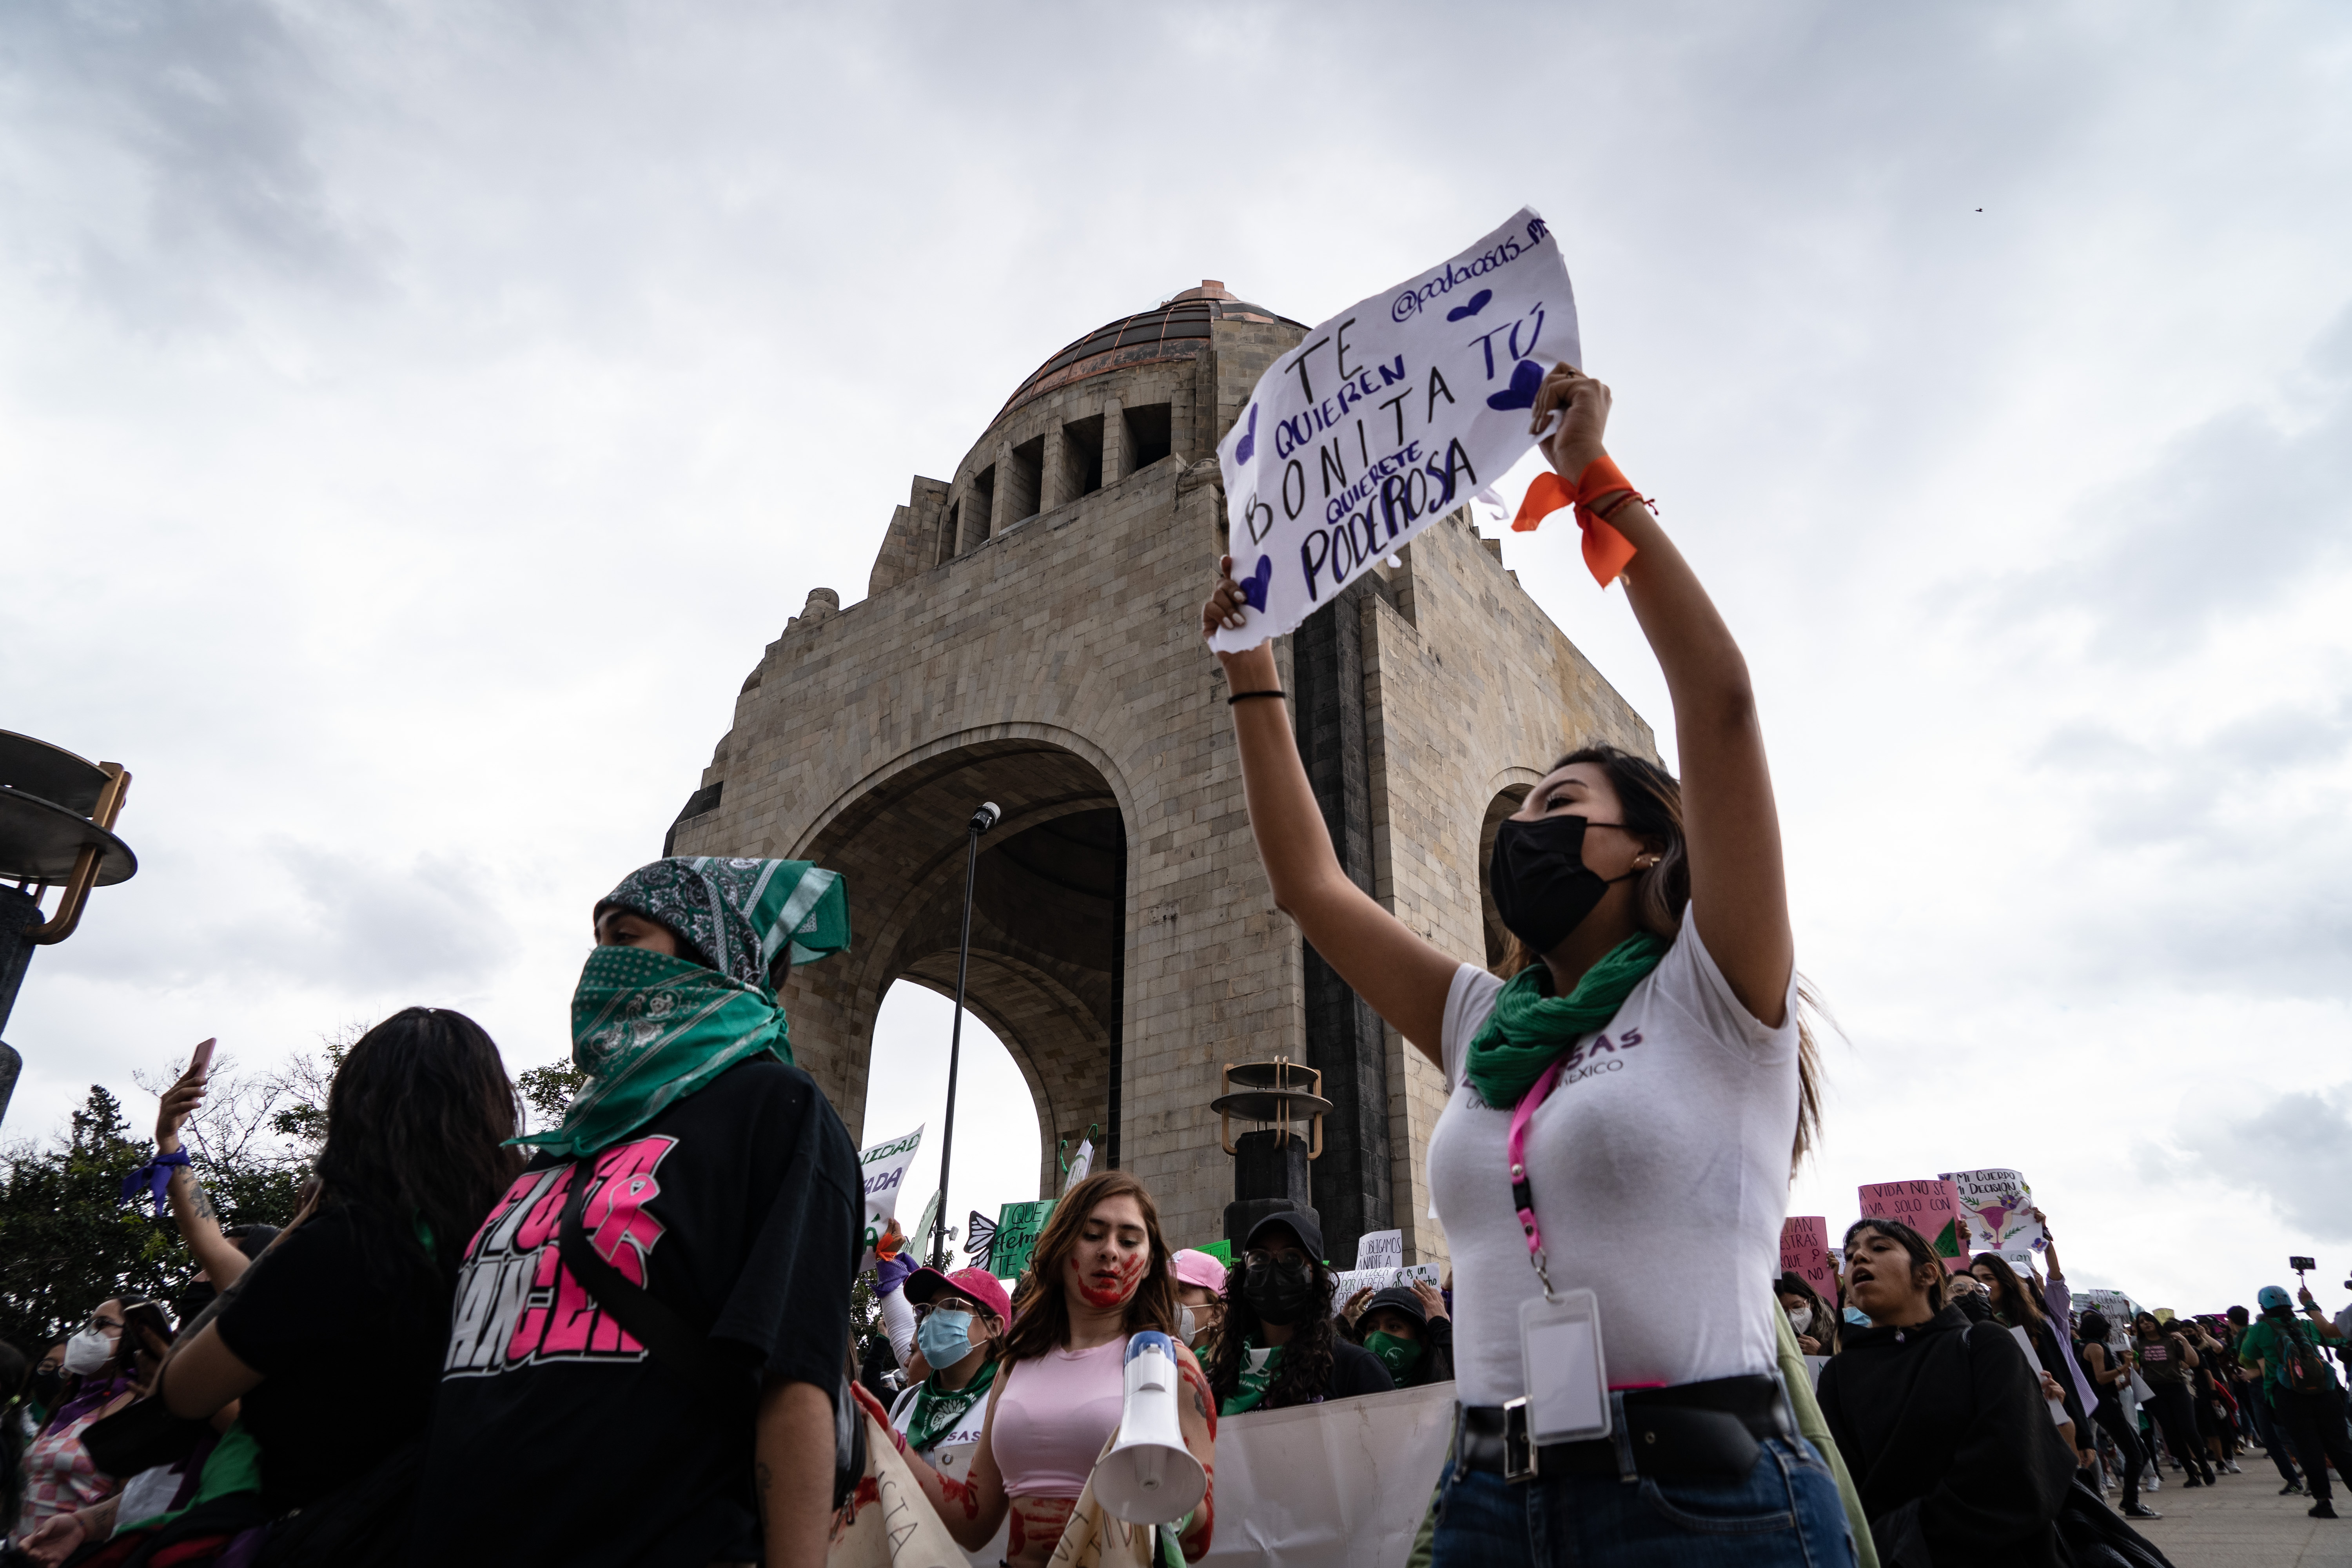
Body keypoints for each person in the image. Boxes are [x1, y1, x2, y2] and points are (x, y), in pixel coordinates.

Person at [1202, 363, 1847, 1566]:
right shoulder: (1487, 1026)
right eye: (1523, 810)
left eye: (1561, 803)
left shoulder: (1714, 989)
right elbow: (1311, 885)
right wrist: (1250, 669)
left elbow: (1720, 706)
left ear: (1645, 841)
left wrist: (1589, 480)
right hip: (1494, 1497)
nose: (1524, 828)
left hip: (1697, 1500)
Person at [407, 856, 862, 1568]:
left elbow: (795, 1371)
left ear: (703, 952)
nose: (599, 966)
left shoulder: (775, 1108)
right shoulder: (565, 1142)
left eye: (625, 937)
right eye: (596, 943)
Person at [889, 1171, 1215, 1567]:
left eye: (1129, 1240)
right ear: (1061, 1249)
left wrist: (1163, 1476)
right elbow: (974, 1521)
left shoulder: (1173, 1366)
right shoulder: (1016, 1362)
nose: (1111, 1251)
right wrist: (891, 1444)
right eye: (1093, 1235)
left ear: (1148, 1264)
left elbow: (1199, 1540)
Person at [1815, 1220, 2074, 1565]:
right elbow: (1839, 1491)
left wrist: (1904, 1541)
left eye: (1879, 1248)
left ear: (1926, 1275)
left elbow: (2013, 1475)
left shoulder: (1984, 1345)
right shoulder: (1838, 1374)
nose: (1859, 1258)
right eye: (1850, 1257)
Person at [1206, 1211, 1392, 1414]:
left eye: (1292, 1258)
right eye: (1260, 1257)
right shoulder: (1220, 1372)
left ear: (1317, 1278)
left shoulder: (1355, 1369)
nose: (1273, 1268)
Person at [887, 1265, 1012, 1566]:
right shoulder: (906, 1401)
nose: (932, 1320)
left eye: (953, 1306)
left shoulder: (1009, 1402)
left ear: (994, 1326)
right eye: (926, 1311)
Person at [12, 1299, 136, 1539]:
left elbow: (134, 1503)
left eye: (102, 1324)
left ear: (135, 1336)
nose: (87, 1334)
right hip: (20, 1554)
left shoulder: (136, 1406)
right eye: (89, 1324)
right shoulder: (66, 1406)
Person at [2238, 1284, 2352, 1519]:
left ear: (2263, 1307)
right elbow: (2335, 1340)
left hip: (2287, 1394)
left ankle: (2324, 1503)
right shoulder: (2307, 1325)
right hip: (2325, 1391)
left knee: (2309, 1448)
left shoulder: (2259, 1330)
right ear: (2291, 1305)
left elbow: (2246, 1355)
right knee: (2340, 1447)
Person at [1968, 1254, 2087, 1463]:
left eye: (1988, 1278)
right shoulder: (1967, 1328)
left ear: (2005, 1283)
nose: (1982, 1285)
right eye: (1976, 1280)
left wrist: (2084, 1437)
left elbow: (2062, 1377)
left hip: (2042, 1422)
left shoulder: (2036, 1325)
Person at [2076, 1310, 2157, 1519]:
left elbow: (2098, 1383)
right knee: (2135, 1455)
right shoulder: (2095, 1347)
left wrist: (2124, 1384)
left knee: (2142, 1453)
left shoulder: (2087, 1346)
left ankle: (2129, 1498)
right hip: (2106, 1407)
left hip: (2106, 1404)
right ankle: (2131, 1504)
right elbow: (2101, 1378)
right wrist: (2125, 1367)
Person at [2131, 1309, 2216, 1487]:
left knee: (2189, 1430)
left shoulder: (2171, 1341)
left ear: (2155, 1322)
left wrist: (2184, 1340)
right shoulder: (2137, 1345)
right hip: (2154, 1393)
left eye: (2148, 1320)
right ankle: (2191, 1473)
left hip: (2177, 1389)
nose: (2146, 1323)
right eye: (2142, 1322)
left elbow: (2194, 1363)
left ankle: (2204, 1465)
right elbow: (2137, 1370)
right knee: (2171, 1434)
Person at [1351, 1282, 1455, 1390]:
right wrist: (1342, 1329)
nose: (1378, 1337)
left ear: (1423, 1342)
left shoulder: (1446, 1391)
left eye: (1393, 1327)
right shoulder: (1353, 1389)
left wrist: (1442, 1328)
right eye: (1372, 1329)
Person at [1171, 1250, 1228, 1357]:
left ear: (1216, 1314)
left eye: (1180, 1291)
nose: (1166, 1300)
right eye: (1163, 1292)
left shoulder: (1236, 1370)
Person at [1776, 1271, 1838, 1355]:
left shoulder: (1838, 1333)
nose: (1793, 1317)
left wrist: (1821, 1352)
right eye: (1784, 1311)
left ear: (1812, 1302)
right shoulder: (1773, 1341)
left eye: (1798, 1307)